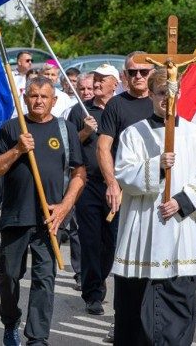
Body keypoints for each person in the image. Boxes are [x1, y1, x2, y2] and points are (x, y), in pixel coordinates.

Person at [112, 68, 196, 346]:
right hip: (144, 228)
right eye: (160, 94)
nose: (166, 101)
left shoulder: (195, 135)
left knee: (177, 300)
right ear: (151, 96)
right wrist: (155, 165)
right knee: (137, 303)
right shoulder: (134, 134)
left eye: (171, 94)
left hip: (179, 227)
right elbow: (123, 173)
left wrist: (182, 201)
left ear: (178, 93)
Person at [0, 77, 86, 346]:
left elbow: (79, 174)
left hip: (49, 219)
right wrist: (18, 149)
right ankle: (10, 322)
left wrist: (65, 207)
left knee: (45, 279)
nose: (38, 100)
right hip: (16, 216)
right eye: (33, 96)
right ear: (25, 98)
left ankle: (37, 338)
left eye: (44, 96)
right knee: (9, 275)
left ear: (54, 100)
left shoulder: (65, 130)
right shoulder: (11, 129)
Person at [96, 52, 154, 342]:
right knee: (127, 263)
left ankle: (153, 323)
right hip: (129, 195)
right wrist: (112, 184)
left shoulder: (162, 103)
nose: (138, 77)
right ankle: (122, 323)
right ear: (124, 76)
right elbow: (104, 147)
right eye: (132, 72)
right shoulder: (117, 105)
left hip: (159, 196)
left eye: (143, 71)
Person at [67, 64, 121, 315]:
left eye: (102, 80)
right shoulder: (80, 111)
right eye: (95, 80)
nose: (97, 84)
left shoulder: (121, 109)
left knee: (110, 241)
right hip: (87, 183)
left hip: (117, 186)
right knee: (89, 239)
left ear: (115, 83)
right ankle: (93, 293)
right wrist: (85, 131)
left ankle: (100, 277)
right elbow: (68, 148)